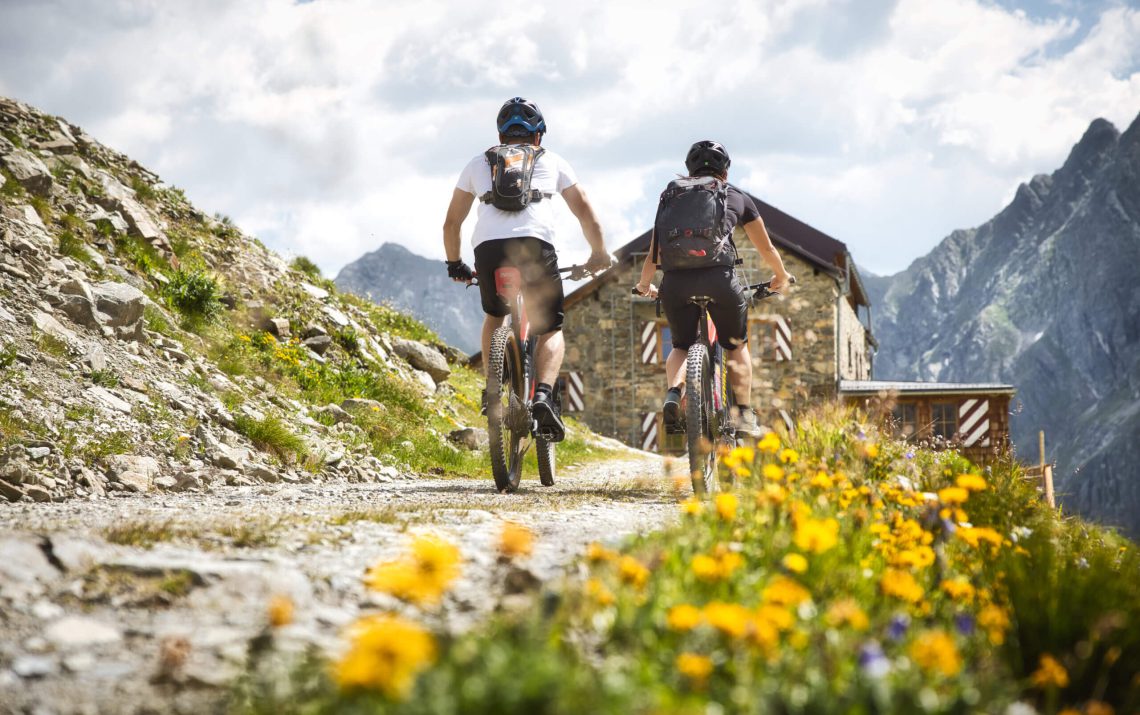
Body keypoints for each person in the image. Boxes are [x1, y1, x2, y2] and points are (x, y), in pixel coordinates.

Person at [443, 97, 610, 441]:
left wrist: (455, 262)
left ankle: (493, 388)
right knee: (549, 328)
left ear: (500, 135)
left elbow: (452, 222)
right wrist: (598, 253)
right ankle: (544, 396)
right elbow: (585, 211)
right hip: (535, 245)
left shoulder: (478, 163)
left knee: (494, 315)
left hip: (488, 248)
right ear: (539, 136)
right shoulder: (554, 161)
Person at [633, 140, 793, 438]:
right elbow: (767, 249)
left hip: (676, 283)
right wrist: (781, 277)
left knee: (681, 345)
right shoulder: (736, 196)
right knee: (735, 346)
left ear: (689, 170)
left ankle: (672, 395)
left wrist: (645, 286)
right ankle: (744, 413)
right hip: (720, 281)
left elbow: (655, 252)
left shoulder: (671, 196)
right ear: (725, 172)